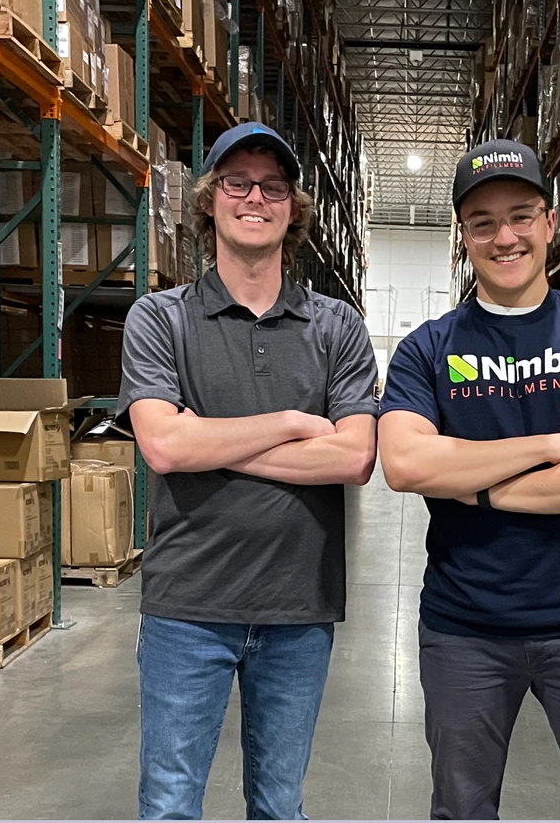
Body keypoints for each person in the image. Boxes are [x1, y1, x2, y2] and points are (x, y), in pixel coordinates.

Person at [376, 139, 560, 820]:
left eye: (520, 215)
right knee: (461, 811)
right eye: (482, 222)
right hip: (464, 629)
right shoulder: (429, 348)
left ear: (549, 219)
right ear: (463, 237)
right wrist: (551, 445)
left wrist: (474, 481)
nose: (504, 236)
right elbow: (408, 465)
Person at [115, 122, 379, 820]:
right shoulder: (158, 318)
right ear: (209, 201)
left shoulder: (337, 326)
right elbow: (163, 448)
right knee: (170, 805)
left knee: (278, 805)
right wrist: (294, 423)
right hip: (187, 607)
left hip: (299, 608)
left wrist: (207, 434)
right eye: (237, 182)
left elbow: (354, 456)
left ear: (292, 208)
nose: (254, 197)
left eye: (272, 186)